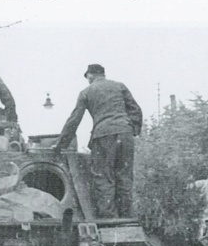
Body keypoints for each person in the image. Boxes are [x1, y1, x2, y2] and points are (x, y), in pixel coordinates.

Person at [53, 64, 143, 218]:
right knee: (124, 176)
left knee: (103, 176)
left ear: (90, 75)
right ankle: (127, 217)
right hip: (125, 134)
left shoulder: (86, 92)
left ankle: (110, 219)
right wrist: (132, 129)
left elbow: (74, 120)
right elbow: (136, 110)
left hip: (103, 135)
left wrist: (60, 145)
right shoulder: (120, 86)